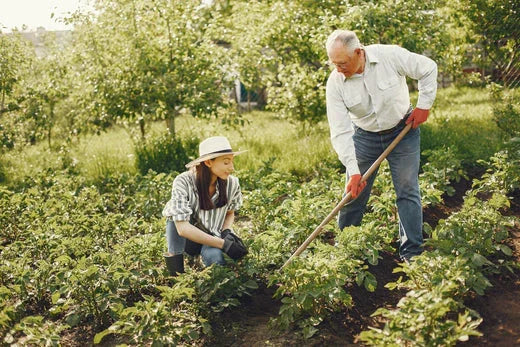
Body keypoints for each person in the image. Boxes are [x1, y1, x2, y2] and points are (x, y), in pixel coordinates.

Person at [325, 30, 437, 262]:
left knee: (407, 190)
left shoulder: (389, 56)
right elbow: (341, 130)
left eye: (342, 63)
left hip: (402, 130)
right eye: (334, 63)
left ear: (359, 52)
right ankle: (345, 250)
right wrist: (354, 171)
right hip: (364, 137)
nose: (338, 69)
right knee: (354, 192)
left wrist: (423, 105)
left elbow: (428, 67)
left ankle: (412, 253)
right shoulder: (336, 83)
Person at [162, 136, 248, 276]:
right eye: (226, 162)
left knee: (216, 261)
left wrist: (226, 232)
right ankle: (176, 277)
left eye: (232, 161)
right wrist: (224, 244)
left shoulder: (232, 184)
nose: (232, 168)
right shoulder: (183, 181)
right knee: (174, 218)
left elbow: (230, 212)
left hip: (212, 236)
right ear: (208, 162)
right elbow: (182, 229)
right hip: (187, 239)